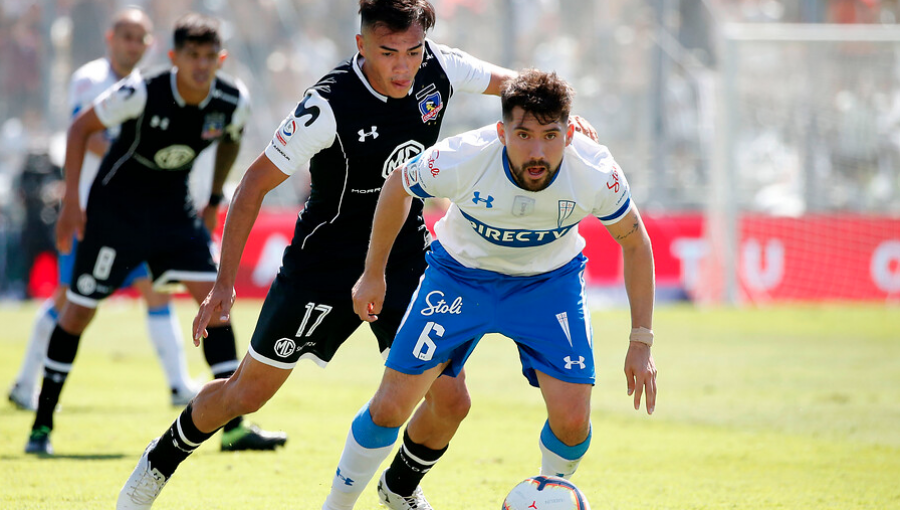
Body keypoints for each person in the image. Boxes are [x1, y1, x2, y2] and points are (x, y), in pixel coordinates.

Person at [116, 2, 517, 509]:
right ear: (361, 46)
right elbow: (253, 185)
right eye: (388, 52)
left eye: (413, 52)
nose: (403, 66)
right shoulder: (328, 104)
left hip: (403, 255)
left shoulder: (439, 66)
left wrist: (566, 118)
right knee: (247, 393)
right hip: (323, 265)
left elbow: (517, 86)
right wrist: (223, 285)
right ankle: (157, 463)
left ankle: (399, 488)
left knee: (451, 399)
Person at [323, 69, 658, 509]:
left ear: (570, 133)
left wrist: (641, 341)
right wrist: (374, 272)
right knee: (390, 407)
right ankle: (336, 506)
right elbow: (398, 184)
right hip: (460, 276)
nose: (537, 151)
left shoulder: (597, 171)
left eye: (550, 135)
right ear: (501, 132)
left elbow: (635, 242)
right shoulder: (465, 156)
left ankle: (544, 498)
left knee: (573, 422)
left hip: (548, 284)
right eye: (523, 134)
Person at [24, 12, 287, 456]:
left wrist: (214, 199)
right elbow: (79, 127)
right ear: (174, 57)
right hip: (114, 214)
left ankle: (235, 427)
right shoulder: (142, 91)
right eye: (192, 56)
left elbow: (230, 141)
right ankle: (41, 427)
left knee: (215, 299)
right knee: (77, 313)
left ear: (220, 59)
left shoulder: (231, 100)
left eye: (209, 57)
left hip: (173, 214)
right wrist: (71, 202)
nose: (201, 66)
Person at [7, 8, 200, 413]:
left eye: (140, 38)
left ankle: (179, 385)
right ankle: (26, 383)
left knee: (156, 291)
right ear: (110, 38)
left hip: (135, 214)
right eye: (126, 36)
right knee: (68, 298)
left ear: (150, 45)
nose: (133, 44)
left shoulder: (148, 87)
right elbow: (90, 135)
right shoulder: (91, 79)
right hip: (91, 212)